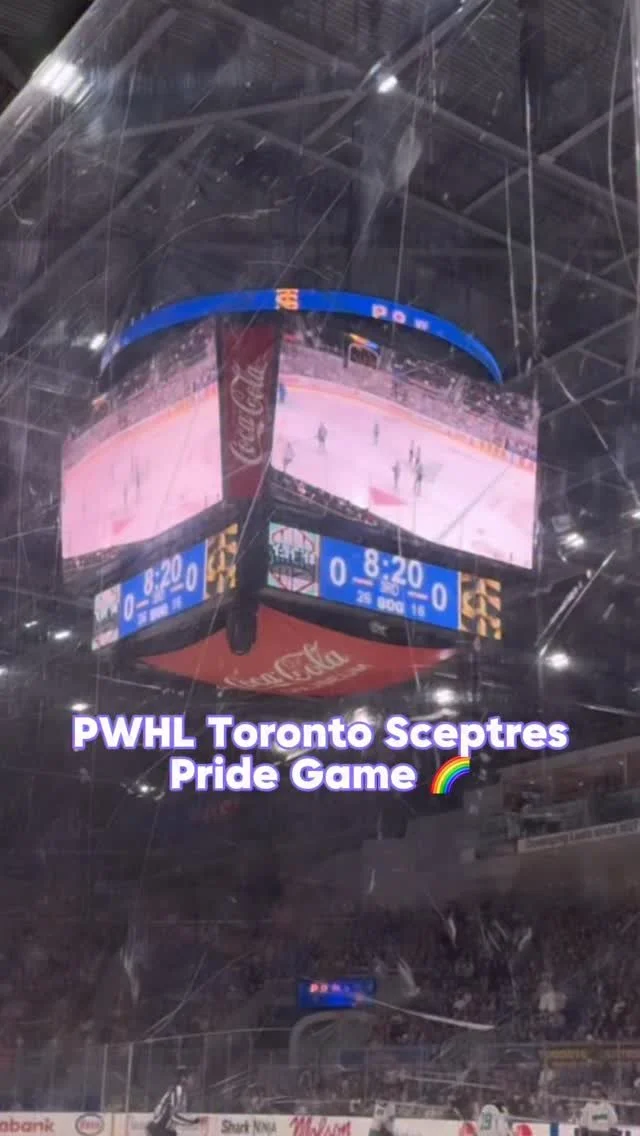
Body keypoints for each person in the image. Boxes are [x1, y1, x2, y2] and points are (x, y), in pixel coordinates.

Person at [147, 1068, 200, 1136]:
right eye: (191, 1078)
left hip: (165, 1130)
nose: (193, 1081)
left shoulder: (179, 1091)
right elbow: (173, 1116)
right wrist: (193, 1121)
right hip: (160, 1130)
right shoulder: (177, 1091)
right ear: (183, 1078)